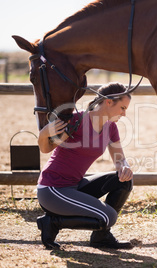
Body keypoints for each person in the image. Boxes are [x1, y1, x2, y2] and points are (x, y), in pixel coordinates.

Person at [36, 83, 134, 250]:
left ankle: (101, 238)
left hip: (74, 186)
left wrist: (124, 166)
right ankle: (52, 222)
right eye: (122, 108)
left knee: (124, 181)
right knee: (107, 217)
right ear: (108, 102)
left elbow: (119, 159)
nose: (124, 114)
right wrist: (44, 133)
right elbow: (46, 149)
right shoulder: (76, 121)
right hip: (53, 189)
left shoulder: (111, 128)